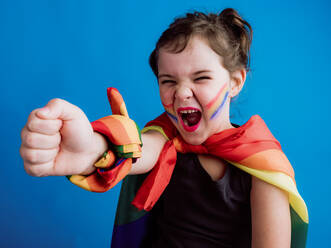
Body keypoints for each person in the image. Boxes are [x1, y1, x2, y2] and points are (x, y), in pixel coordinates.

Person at [20, 8, 308, 248]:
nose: (181, 93)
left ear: (235, 81)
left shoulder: (265, 168)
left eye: (201, 77)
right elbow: (133, 149)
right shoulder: (165, 140)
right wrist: (91, 148)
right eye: (168, 81)